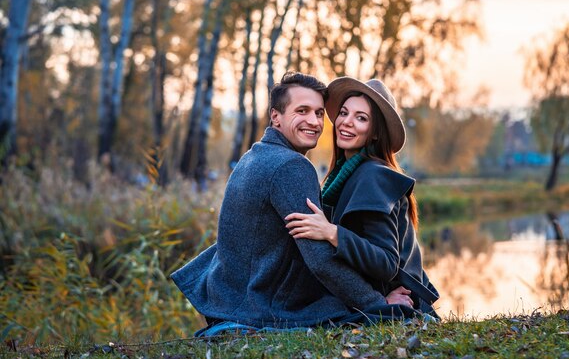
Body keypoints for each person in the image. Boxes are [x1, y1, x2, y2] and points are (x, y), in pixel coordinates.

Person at [170, 72, 414, 335]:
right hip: (260, 305)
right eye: (302, 111)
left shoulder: (252, 157)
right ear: (276, 116)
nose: (314, 121)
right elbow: (320, 261)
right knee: (339, 310)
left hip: (230, 299)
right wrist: (379, 307)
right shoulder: (293, 167)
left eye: (319, 113)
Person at [285, 77, 440, 317]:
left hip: (398, 299)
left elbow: (387, 263)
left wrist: (332, 232)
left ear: (375, 133)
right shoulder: (346, 173)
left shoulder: (373, 176)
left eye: (361, 118)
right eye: (344, 113)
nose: (346, 123)